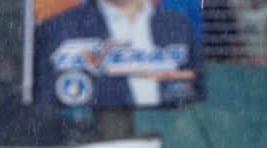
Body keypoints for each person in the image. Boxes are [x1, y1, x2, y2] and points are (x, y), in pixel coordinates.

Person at [32, 0, 202, 111]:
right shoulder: (59, 29)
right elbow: (46, 107)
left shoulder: (178, 25)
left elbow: (197, 96)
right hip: (91, 143)